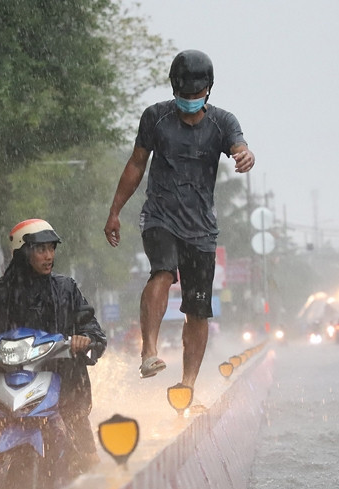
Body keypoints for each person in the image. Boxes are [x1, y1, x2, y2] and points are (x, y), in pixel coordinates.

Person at [102, 49, 255, 392]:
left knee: (198, 308)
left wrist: (245, 155)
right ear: (174, 89)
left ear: (208, 90)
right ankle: (149, 351)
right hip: (160, 216)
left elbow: (240, 146)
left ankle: (187, 385)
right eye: (183, 94)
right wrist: (115, 211)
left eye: (195, 94)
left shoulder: (223, 122)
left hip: (201, 228)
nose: (189, 100)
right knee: (163, 272)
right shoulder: (155, 117)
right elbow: (136, 164)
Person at [0, 219, 107, 489]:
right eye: (40, 248)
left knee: (88, 455)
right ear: (22, 252)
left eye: (51, 248)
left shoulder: (66, 289)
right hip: (10, 382)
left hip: (64, 386)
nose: (48, 255)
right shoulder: (0, 291)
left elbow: (91, 326)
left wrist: (85, 338)